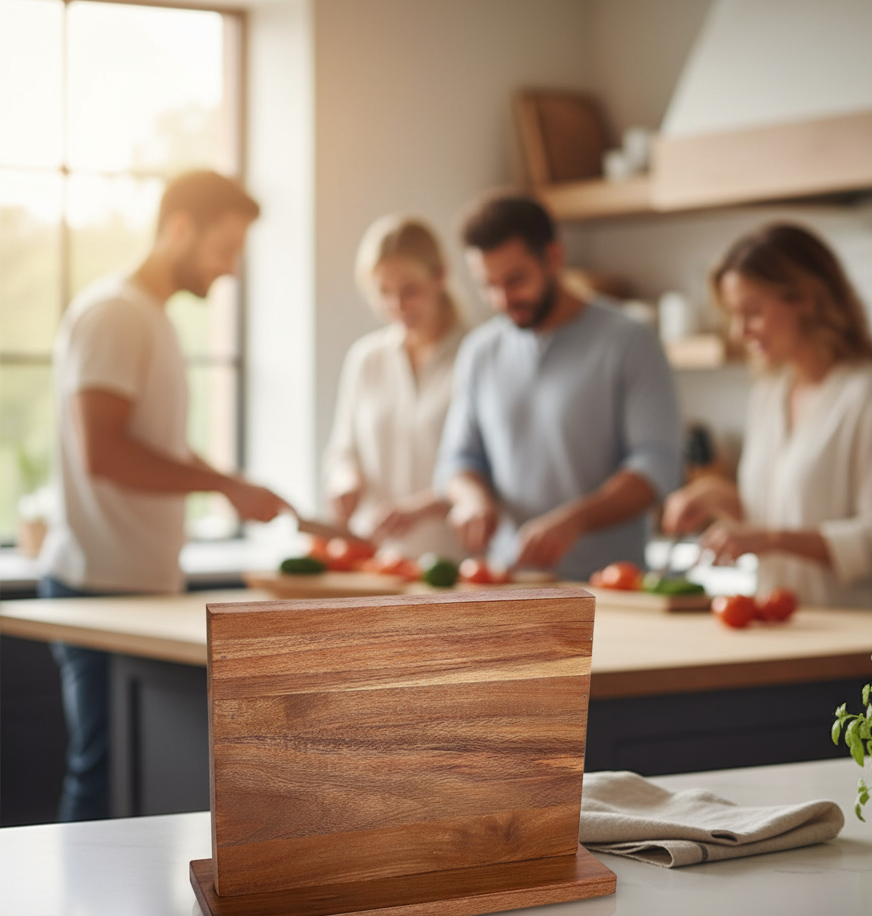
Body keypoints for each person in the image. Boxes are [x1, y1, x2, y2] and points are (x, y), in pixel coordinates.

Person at [38, 170, 292, 821]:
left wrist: (230, 485)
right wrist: (218, 483)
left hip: (133, 586)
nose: (230, 267)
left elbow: (157, 444)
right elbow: (106, 452)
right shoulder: (116, 313)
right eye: (224, 248)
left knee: (127, 781)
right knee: (104, 781)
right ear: (180, 227)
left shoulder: (146, 316)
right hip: (99, 588)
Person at [661, 222, 872, 609]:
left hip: (852, 641)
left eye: (752, 312)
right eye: (733, 314)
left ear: (806, 298)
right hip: (778, 628)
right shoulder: (769, 394)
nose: (739, 331)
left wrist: (767, 539)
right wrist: (720, 499)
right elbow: (779, 509)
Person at [435, 193, 682, 581]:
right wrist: (472, 500)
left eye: (515, 280)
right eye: (488, 285)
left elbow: (658, 466)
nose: (502, 299)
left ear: (553, 258)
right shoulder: (481, 350)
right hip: (508, 583)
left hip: (609, 589)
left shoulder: (630, 340)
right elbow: (458, 460)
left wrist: (574, 521)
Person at [323, 216, 466, 560]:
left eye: (410, 291)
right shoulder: (366, 359)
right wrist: (345, 481)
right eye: (383, 293)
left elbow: (485, 466)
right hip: (377, 557)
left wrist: (419, 508)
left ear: (440, 277)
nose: (397, 306)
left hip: (453, 558)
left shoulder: (475, 354)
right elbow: (344, 449)